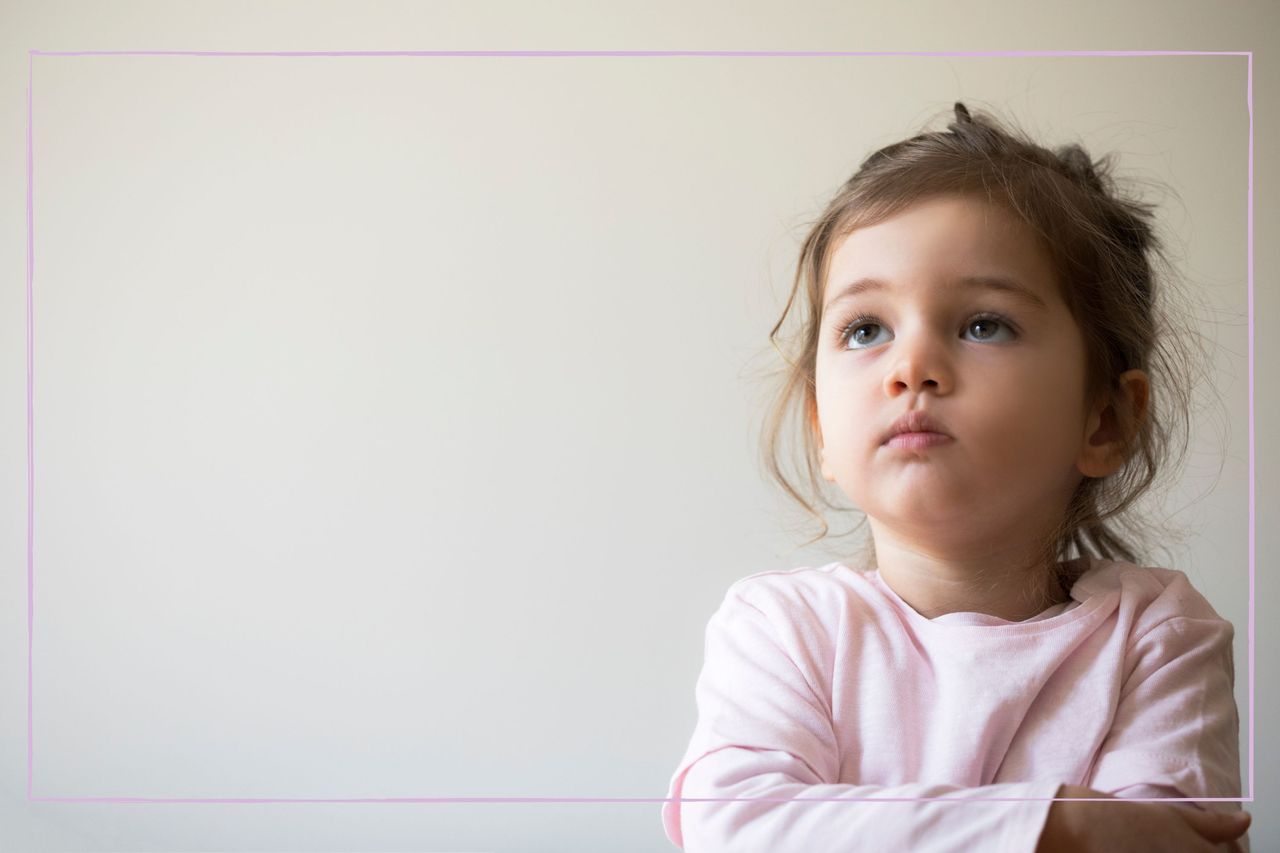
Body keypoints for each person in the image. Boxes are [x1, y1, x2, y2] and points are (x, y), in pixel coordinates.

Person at [661, 102, 1249, 852]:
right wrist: (1059, 822)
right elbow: (736, 823)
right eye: (865, 328)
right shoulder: (782, 627)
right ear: (823, 433)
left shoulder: (1157, 633)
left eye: (983, 324)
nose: (911, 368)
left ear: (1102, 419)